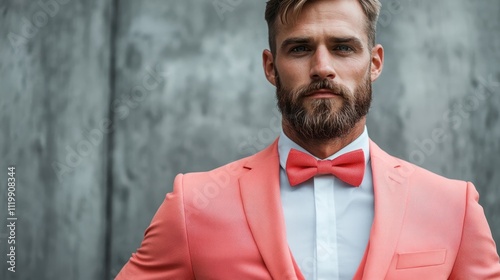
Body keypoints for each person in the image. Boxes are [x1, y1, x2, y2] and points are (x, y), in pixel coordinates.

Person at [116, 0, 500, 279]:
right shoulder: (193, 205)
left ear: (375, 63)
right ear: (271, 67)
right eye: (300, 48)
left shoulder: (455, 208)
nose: (322, 68)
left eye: (343, 47)